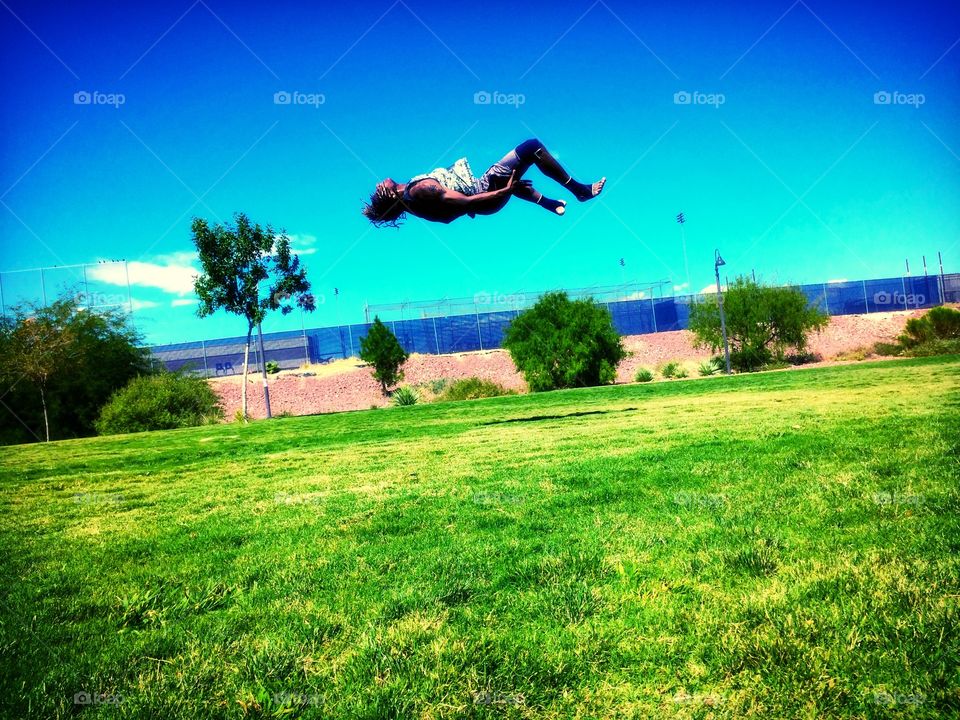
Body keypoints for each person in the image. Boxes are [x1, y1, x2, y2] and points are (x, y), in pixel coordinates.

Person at [362, 138, 605, 227]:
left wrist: (505, 191)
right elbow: (466, 202)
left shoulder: (410, 202)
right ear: (390, 195)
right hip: (484, 190)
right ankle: (580, 190)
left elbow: (446, 218)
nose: (378, 183)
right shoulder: (420, 191)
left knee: (514, 176)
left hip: (484, 189)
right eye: (380, 189)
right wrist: (503, 192)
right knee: (531, 148)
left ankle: (550, 204)